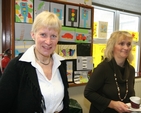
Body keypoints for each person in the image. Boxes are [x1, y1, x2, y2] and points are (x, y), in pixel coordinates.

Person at [0, 11, 69, 113]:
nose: (48, 41)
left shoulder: (61, 64)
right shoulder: (17, 66)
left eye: (53, 36)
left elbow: (64, 102)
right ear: (33, 35)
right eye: (43, 35)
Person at [84, 31, 135, 113]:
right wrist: (112, 104)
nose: (126, 48)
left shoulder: (131, 70)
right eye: (121, 43)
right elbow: (88, 93)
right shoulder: (103, 68)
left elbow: (130, 94)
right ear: (112, 46)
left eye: (128, 44)